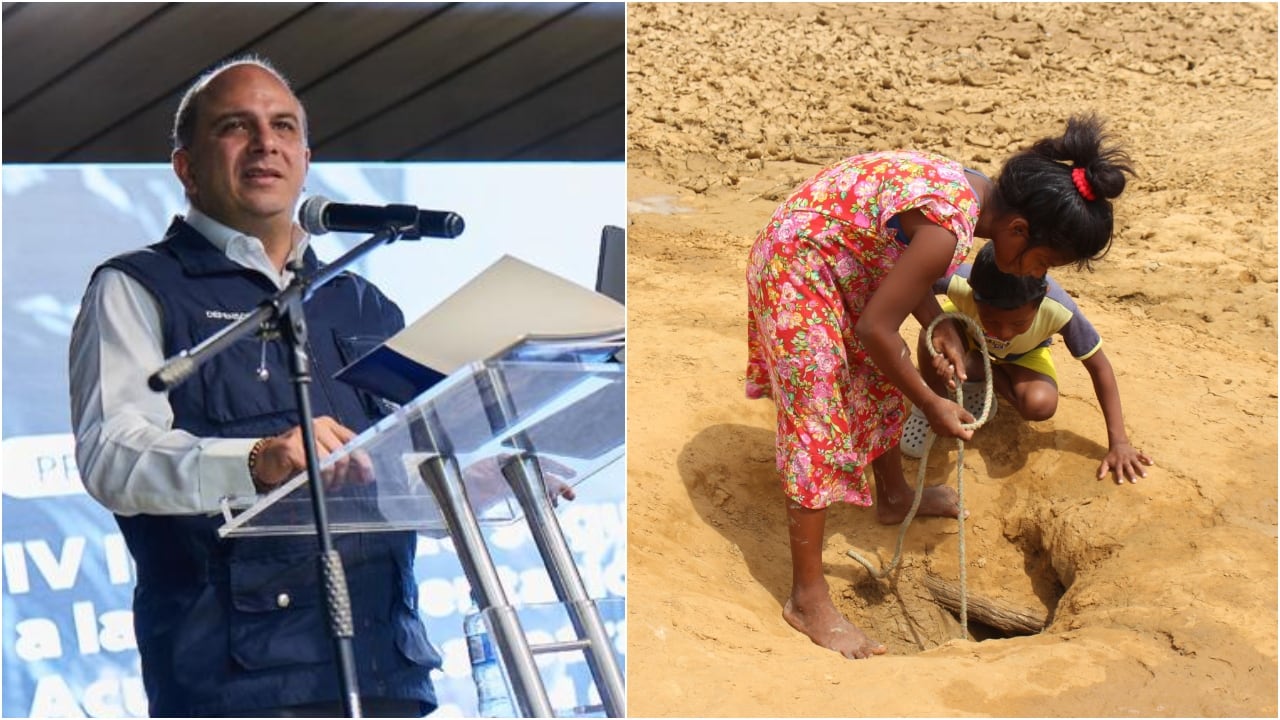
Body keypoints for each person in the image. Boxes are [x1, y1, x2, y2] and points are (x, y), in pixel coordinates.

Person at [69, 56, 441, 717]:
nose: (266, 142)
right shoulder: (136, 287)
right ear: (186, 167)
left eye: (283, 126)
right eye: (236, 126)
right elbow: (113, 455)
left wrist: (463, 482)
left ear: (305, 159)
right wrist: (256, 460)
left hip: (385, 669)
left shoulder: (363, 301)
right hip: (236, 683)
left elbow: (401, 466)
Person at [744, 114, 1134, 659]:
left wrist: (937, 322)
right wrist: (930, 402)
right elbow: (876, 327)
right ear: (1018, 230)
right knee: (819, 410)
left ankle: (894, 496)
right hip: (798, 265)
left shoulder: (975, 192)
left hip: (847, 257)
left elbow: (901, 255)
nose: (1036, 275)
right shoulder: (951, 226)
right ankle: (807, 598)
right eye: (1042, 262)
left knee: (876, 378)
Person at [900, 242, 1155, 483]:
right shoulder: (961, 281)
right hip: (965, 335)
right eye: (991, 319)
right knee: (930, 334)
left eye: (1019, 323)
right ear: (972, 291)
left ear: (1042, 298)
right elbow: (911, 281)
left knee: (1040, 405)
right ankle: (931, 404)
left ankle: (981, 368)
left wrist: (1119, 442)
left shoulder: (1060, 309)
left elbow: (1100, 367)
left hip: (1023, 354)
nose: (1004, 332)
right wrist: (938, 329)